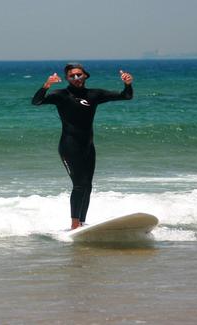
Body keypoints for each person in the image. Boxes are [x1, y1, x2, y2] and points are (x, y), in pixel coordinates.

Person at [32, 63, 134, 229]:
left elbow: (126, 96)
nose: (76, 78)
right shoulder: (61, 95)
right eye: (72, 76)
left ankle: (81, 222)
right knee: (79, 185)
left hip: (88, 147)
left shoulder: (94, 94)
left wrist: (128, 83)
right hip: (69, 146)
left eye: (79, 75)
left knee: (87, 185)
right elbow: (36, 101)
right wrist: (47, 85)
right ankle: (74, 225)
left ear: (86, 75)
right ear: (67, 79)